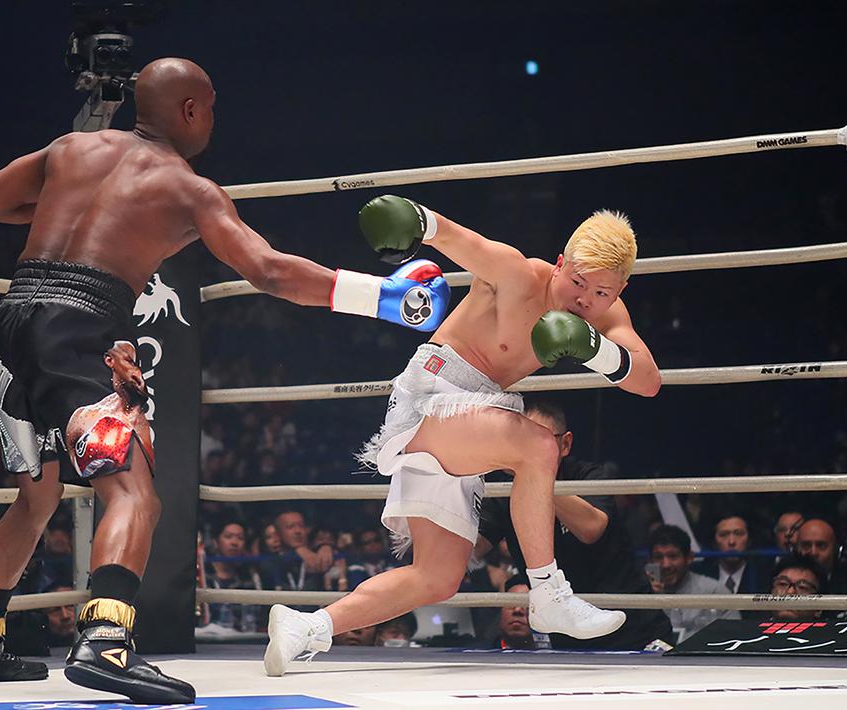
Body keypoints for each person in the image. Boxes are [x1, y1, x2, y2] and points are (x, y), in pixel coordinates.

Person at [0, 57, 450, 705]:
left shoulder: (71, 147)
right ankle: (104, 642)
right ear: (189, 110)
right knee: (133, 494)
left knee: (36, 499)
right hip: (79, 330)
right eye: (210, 105)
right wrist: (381, 298)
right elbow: (266, 270)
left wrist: (73, 209)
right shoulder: (189, 189)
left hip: (9, 322)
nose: (213, 118)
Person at [265, 199, 661, 675]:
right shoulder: (517, 274)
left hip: (474, 418)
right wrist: (416, 218)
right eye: (576, 281)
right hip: (434, 393)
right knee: (538, 445)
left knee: (437, 577)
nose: (583, 300)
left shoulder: (605, 315)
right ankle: (550, 593)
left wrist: (597, 351)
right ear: (560, 263)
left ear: (620, 289)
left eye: (600, 292)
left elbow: (648, 380)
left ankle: (305, 628)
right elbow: (456, 237)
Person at [476, 400, 672, 650]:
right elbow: (471, 548)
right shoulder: (504, 489)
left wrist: (533, 474)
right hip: (567, 640)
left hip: (636, 630)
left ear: (565, 443)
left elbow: (592, 528)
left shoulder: (587, 476)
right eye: (520, 441)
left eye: (538, 440)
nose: (526, 450)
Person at [647, 525, 738, 642]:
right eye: (658, 557)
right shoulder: (642, 594)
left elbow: (734, 636)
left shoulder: (715, 591)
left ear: (689, 558)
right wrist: (653, 598)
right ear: (650, 561)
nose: (666, 565)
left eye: (673, 556)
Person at [693, 514, 769, 595]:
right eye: (723, 535)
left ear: (749, 541)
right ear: (714, 543)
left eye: (739, 534)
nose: (731, 542)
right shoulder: (699, 574)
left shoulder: (765, 576)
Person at [795, 518, 847, 594]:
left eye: (821, 546)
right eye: (806, 545)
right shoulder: (784, 578)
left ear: (835, 550)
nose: (813, 552)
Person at [766, 554, 825, 621]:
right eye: (783, 584)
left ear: (819, 608)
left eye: (802, 587)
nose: (790, 592)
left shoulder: (829, 631)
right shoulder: (753, 629)